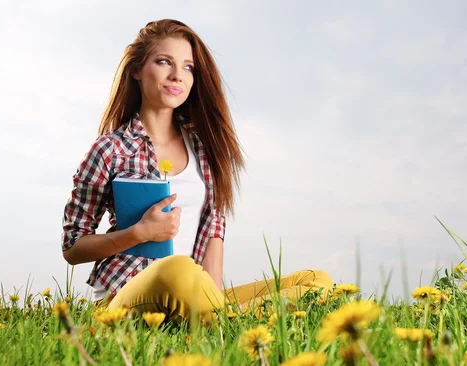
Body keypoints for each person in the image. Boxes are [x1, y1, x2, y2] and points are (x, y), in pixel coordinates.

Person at [61, 19, 333, 324]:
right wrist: (139, 233)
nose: (177, 75)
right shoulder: (109, 150)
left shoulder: (205, 148)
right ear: (137, 70)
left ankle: (217, 318)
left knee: (316, 281)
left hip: (194, 289)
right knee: (176, 269)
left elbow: (214, 228)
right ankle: (231, 320)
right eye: (164, 62)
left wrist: (213, 297)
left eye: (188, 67)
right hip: (129, 292)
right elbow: (73, 247)